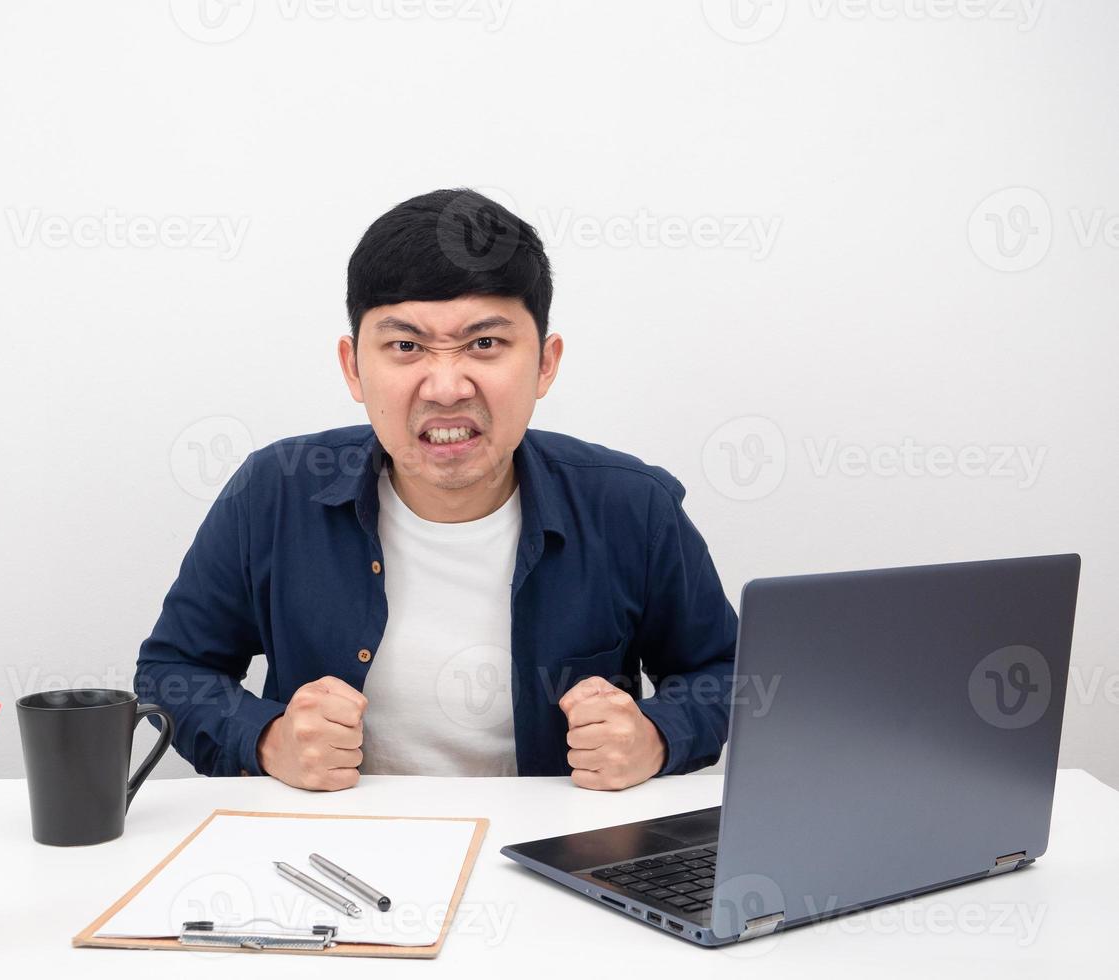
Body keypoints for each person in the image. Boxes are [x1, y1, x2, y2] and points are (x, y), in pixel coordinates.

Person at [135, 188, 737, 792]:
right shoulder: (272, 493)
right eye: (406, 347)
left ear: (545, 363)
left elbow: (724, 671)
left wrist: (657, 736)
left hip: (560, 857)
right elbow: (172, 670)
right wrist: (266, 740)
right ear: (353, 367)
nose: (446, 386)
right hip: (327, 856)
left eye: (484, 344)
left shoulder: (632, 506)